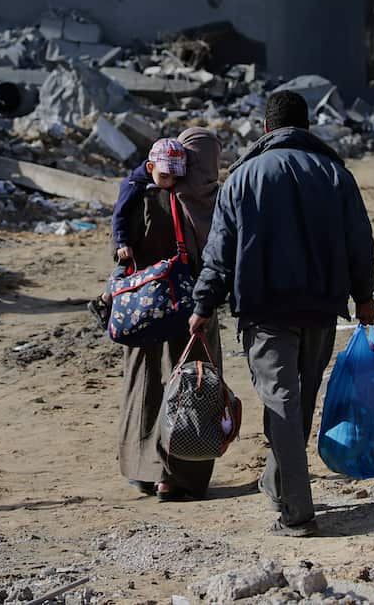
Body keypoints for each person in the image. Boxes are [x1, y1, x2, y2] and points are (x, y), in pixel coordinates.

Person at [189, 91, 374, 537]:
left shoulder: (242, 178)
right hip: (320, 308)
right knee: (299, 404)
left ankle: (297, 513)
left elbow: (220, 254)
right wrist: (364, 296)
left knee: (282, 404)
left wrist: (202, 305)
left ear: (266, 129)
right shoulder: (335, 174)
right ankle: (280, 486)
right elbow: (359, 243)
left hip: (265, 309)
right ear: (306, 127)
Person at [116, 128, 223, 501]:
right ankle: (178, 477)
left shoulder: (147, 197)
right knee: (191, 390)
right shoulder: (217, 203)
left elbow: (122, 251)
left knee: (144, 387)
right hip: (192, 315)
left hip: (145, 313)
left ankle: (142, 470)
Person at [89, 137, 189, 323]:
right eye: (165, 176)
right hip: (129, 243)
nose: (169, 183)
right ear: (151, 168)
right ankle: (105, 302)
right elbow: (119, 215)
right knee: (123, 273)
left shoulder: (162, 186)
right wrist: (122, 242)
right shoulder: (133, 185)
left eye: (175, 178)